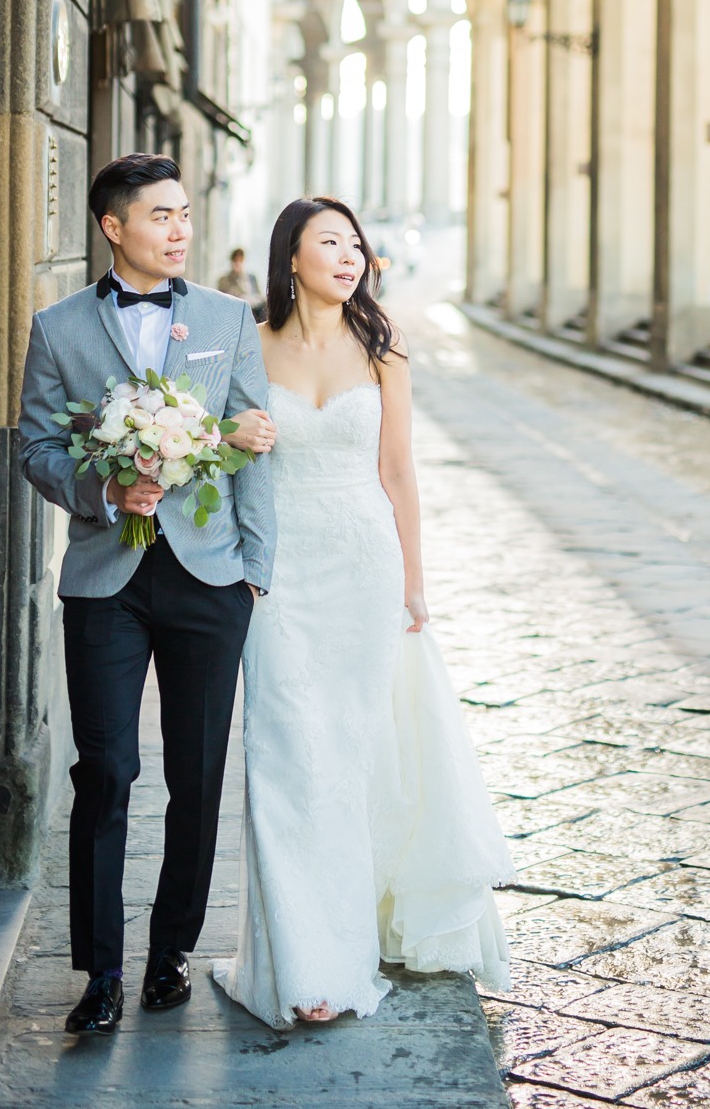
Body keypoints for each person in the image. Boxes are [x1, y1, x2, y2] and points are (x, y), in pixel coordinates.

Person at [214, 196, 513, 1028]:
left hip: (363, 565)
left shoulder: (383, 344)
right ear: (292, 256)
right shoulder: (249, 340)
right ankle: (302, 964)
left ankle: (348, 945)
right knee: (284, 757)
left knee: (349, 757)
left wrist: (414, 581)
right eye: (329, 242)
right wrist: (229, 438)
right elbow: (219, 449)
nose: (349, 257)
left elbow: (400, 473)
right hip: (276, 575)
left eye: (355, 244)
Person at [18, 154, 276, 1037]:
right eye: (159, 215)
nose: (179, 230)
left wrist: (257, 568)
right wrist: (105, 492)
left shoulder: (226, 318)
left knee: (198, 778)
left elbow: (256, 444)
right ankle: (100, 973)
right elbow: (38, 449)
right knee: (107, 775)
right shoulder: (56, 329)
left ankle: (171, 953)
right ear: (113, 227)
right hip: (106, 581)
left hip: (209, 576)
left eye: (184, 214)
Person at [217, 246, 266, 321]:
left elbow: (259, 295)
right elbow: (223, 299)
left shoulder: (251, 278)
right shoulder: (225, 280)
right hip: (236, 310)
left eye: (240, 261)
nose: (238, 264)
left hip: (253, 309)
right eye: (236, 261)